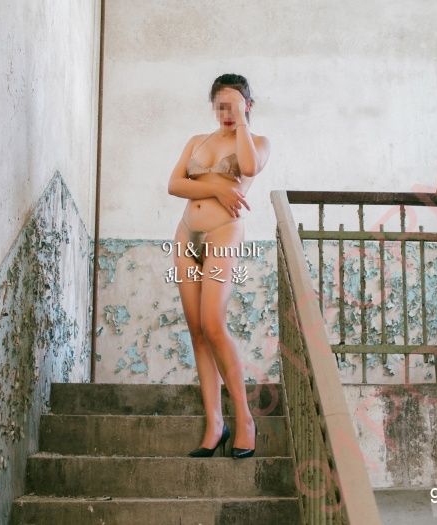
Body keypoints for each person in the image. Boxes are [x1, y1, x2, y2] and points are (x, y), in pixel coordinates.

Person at [167, 73, 271, 459]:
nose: (227, 112)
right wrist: (214, 187)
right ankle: (214, 424)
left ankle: (244, 419)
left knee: (213, 322)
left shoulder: (257, 143)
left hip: (223, 233)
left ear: (248, 105)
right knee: (197, 330)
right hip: (186, 235)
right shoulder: (198, 141)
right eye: (221, 106)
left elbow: (249, 168)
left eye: (235, 105)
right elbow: (175, 184)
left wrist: (241, 121)